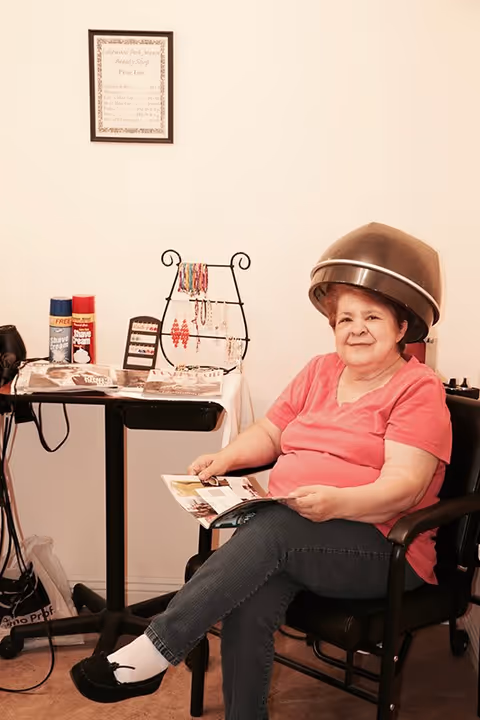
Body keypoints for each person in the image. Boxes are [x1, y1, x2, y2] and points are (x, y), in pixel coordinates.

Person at [70, 283, 451, 719]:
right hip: (304, 534)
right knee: (249, 591)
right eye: (346, 319)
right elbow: (271, 434)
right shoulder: (320, 370)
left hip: (383, 548)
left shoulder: (418, 389)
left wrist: (336, 503)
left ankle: (157, 650)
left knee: (272, 529)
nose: (357, 329)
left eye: (372, 317)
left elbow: (404, 488)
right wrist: (225, 458)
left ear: (402, 327)